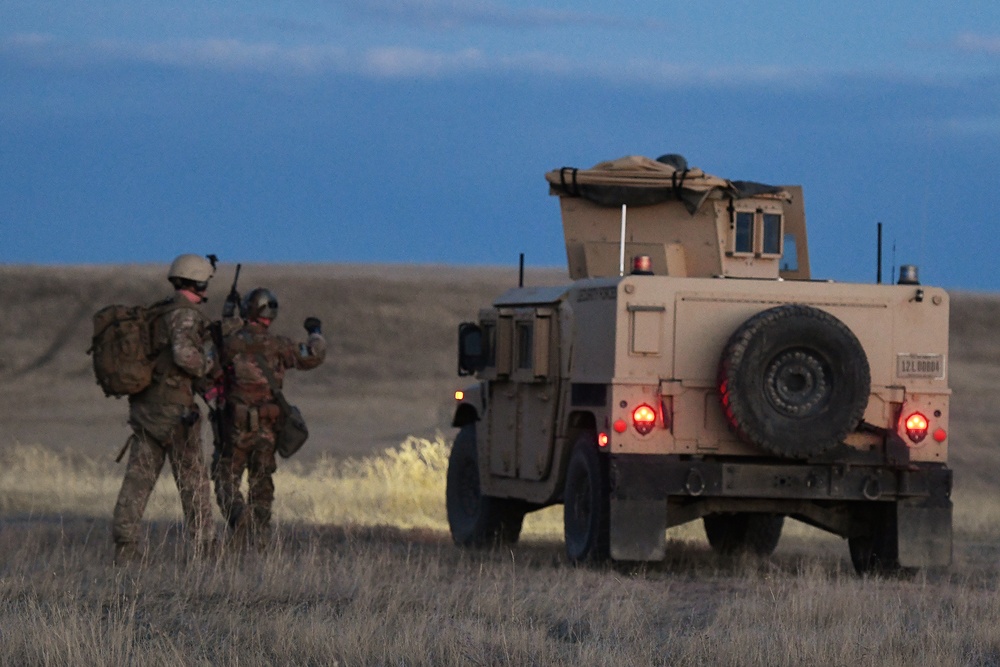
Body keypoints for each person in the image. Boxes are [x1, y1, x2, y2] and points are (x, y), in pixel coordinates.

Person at [112, 254, 220, 563]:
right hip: (174, 414)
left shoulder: (157, 312)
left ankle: (125, 548)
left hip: (147, 408)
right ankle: (204, 552)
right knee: (194, 484)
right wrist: (209, 363)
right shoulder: (186, 315)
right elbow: (185, 356)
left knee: (138, 481)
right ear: (196, 281)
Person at [212, 287, 326, 549]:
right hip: (267, 429)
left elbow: (208, 367)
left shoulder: (230, 344)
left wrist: (228, 318)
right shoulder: (279, 346)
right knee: (262, 484)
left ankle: (240, 520)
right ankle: (259, 538)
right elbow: (314, 354)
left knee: (225, 480)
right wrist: (315, 332)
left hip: (235, 428)